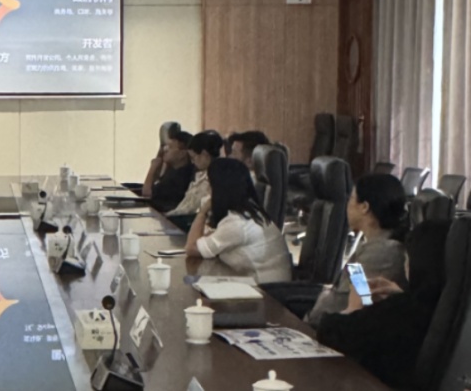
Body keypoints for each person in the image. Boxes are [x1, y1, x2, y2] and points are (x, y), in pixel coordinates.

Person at [317, 221, 450, 389]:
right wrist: (402, 294)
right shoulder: (449, 307)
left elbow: (331, 332)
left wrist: (353, 307)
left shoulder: (403, 312)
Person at [305, 174, 408, 326]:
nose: (347, 205)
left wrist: (323, 299)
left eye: (351, 199)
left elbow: (345, 301)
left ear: (364, 207)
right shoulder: (373, 244)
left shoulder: (381, 253)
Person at [185, 158, 292, 283]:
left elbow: (191, 248)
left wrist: (202, 212)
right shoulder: (249, 212)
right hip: (263, 282)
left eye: (210, 184)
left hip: (266, 290)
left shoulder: (237, 223)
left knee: (193, 285)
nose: (208, 190)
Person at [167, 130, 223, 225]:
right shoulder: (199, 176)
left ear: (205, 155)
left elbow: (191, 210)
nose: (192, 162)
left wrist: (169, 216)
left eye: (193, 157)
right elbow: (184, 206)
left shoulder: (213, 179)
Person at [142, 128, 196, 213]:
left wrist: (153, 167)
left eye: (170, 147)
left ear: (182, 154)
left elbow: (147, 193)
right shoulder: (173, 170)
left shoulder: (181, 177)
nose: (165, 150)